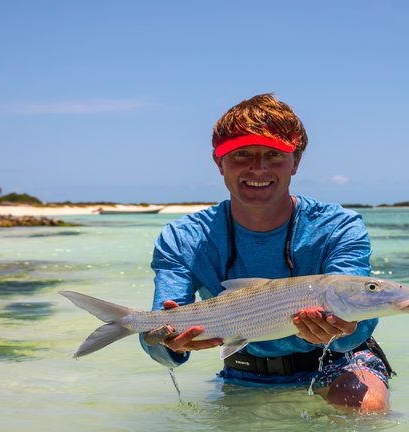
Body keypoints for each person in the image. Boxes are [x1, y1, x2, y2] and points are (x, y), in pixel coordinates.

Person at [139, 94, 392, 413]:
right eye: (241, 154)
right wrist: (167, 344)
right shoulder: (184, 237)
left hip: (339, 363)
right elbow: (160, 334)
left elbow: (358, 318)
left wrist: (343, 329)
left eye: (274, 155)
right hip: (242, 370)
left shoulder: (338, 226)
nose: (258, 168)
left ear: (295, 162)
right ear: (219, 163)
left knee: (365, 410)